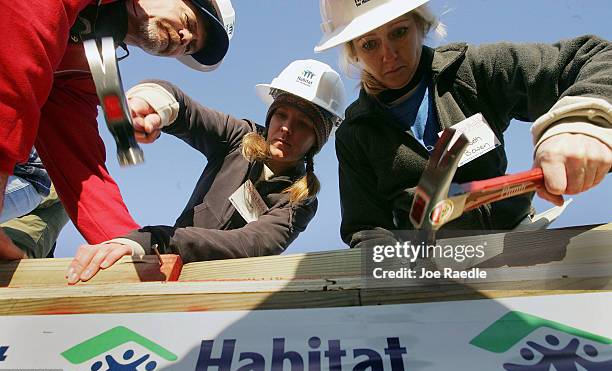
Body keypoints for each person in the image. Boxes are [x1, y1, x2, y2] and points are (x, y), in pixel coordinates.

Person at [314, 0, 612, 247]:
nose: (388, 55)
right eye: (369, 44)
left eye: (399, 32)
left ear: (422, 24)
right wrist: (396, 275)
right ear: (353, 52)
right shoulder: (355, 132)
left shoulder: (471, 71)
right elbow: (367, 229)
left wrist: (581, 120)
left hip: (517, 243)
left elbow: (595, 57)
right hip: (431, 278)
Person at [65, 59, 346, 284]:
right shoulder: (240, 138)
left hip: (228, 293)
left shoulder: (302, 199)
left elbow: (253, 243)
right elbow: (188, 113)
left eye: (304, 124)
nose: (286, 128)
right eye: (281, 115)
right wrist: (151, 104)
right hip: (170, 272)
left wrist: (162, 239)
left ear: (317, 141)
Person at [0, 0, 236, 259]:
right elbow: (20, 44)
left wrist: (132, 247)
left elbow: (80, 164)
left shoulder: (91, 63)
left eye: (190, 45)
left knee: (50, 191)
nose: (185, 39)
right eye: (189, 23)